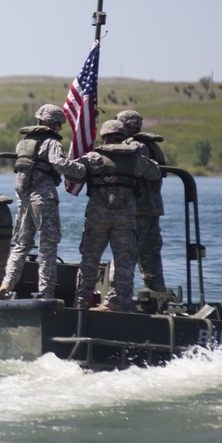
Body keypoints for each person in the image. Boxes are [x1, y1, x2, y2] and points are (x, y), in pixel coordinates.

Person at [0, 104, 86, 300]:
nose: (60, 128)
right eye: (59, 124)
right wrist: (81, 170)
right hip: (43, 199)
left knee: (21, 244)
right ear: (51, 123)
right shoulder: (52, 143)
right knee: (48, 245)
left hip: (24, 199)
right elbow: (60, 164)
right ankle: (46, 291)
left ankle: (8, 282)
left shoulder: (23, 143)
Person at [72, 119, 162, 311]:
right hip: (126, 215)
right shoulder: (134, 159)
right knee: (124, 258)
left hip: (98, 215)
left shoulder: (93, 158)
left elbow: (74, 173)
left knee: (90, 257)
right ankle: (119, 302)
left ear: (104, 137)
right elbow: (155, 173)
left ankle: (81, 300)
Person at [108, 109, 167, 299]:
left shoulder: (135, 146)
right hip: (152, 207)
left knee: (126, 250)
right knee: (150, 256)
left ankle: (116, 296)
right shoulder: (148, 146)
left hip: (138, 208)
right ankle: (158, 296)